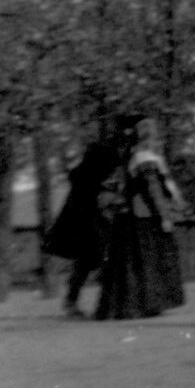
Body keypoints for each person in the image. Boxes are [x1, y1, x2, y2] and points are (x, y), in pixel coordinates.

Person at [94, 124, 188, 320]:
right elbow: (152, 190)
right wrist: (164, 216)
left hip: (132, 216)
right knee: (145, 262)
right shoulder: (145, 159)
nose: (158, 142)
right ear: (148, 139)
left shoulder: (133, 157)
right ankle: (145, 305)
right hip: (144, 216)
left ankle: (133, 307)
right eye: (155, 138)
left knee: (132, 263)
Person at [45, 132, 124, 317]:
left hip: (85, 227)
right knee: (93, 262)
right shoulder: (89, 181)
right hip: (89, 227)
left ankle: (73, 300)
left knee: (86, 264)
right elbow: (94, 201)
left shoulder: (84, 177)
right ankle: (94, 302)